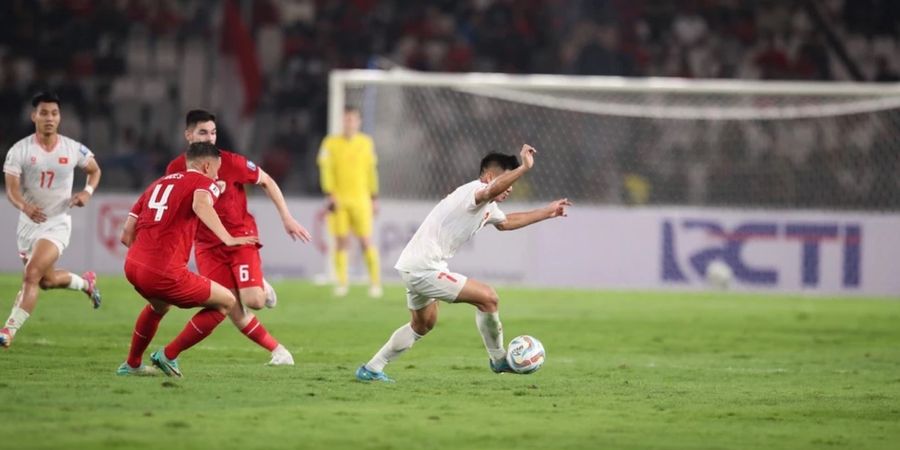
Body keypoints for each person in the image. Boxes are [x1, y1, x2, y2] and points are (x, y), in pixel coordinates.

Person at [355, 145, 571, 382]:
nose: (510, 188)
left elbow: (506, 222)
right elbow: (489, 191)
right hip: (423, 266)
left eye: (512, 184)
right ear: (489, 177)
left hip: (417, 264)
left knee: (423, 324)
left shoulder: (488, 206)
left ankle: (372, 368)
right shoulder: (474, 191)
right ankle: (498, 359)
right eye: (506, 181)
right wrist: (523, 168)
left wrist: (547, 212)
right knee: (488, 298)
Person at [166, 110, 311, 365]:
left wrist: (286, 217)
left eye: (213, 132)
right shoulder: (175, 168)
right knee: (229, 307)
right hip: (207, 246)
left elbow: (267, 181)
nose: (209, 138)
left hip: (240, 237)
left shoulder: (231, 162)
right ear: (188, 135)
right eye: (203, 132)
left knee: (254, 300)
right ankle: (279, 352)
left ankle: (262, 286)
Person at [117, 142, 258, 377]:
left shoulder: (158, 184)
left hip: (133, 265)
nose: (216, 176)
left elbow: (125, 234)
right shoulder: (204, 182)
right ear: (206, 165)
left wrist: (145, 258)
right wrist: (228, 238)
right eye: (216, 170)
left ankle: (132, 364)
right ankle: (168, 355)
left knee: (159, 306)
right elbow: (200, 204)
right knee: (226, 301)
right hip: (163, 271)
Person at [1, 92, 102, 349]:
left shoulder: (72, 148)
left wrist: (87, 193)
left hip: (57, 223)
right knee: (44, 281)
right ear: (33, 116)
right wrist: (25, 206)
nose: (49, 118)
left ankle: (7, 332)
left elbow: (94, 170)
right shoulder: (19, 150)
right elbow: (11, 190)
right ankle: (86, 284)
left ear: (60, 118)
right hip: (28, 224)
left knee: (31, 274)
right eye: (44, 113)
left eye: (54, 113)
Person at [317, 106, 382, 298]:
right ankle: (342, 283)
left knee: (365, 240)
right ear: (341, 121)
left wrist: (374, 197)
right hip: (339, 199)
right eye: (346, 119)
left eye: (353, 119)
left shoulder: (366, 143)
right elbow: (326, 170)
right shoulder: (330, 143)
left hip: (361, 199)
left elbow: (371, 171)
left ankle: (375, 283)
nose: (349, 123)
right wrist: (329, 193)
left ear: (359, 122)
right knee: (341, 241)